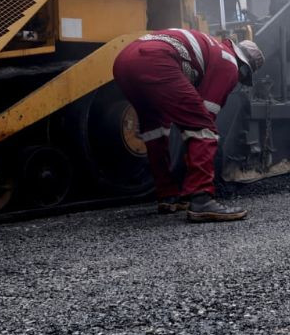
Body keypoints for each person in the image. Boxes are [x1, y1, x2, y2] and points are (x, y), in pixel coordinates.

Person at [113, 28, 264, 221]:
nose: (238, 80)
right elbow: (204, 118)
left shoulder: (213, 48)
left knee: (155, 131)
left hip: (124, 61)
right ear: (244, 67)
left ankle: (168, 196)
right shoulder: (229, 63)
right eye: (243, 76)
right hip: (156, 60)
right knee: (204, 130)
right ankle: (202, 199)